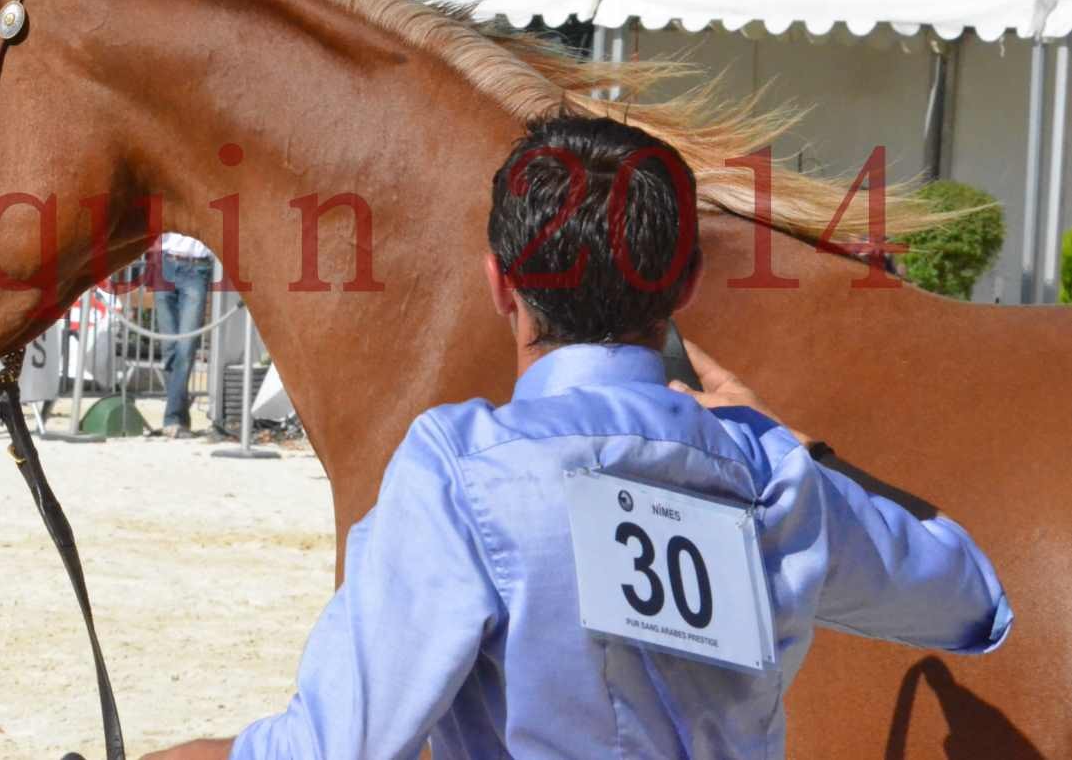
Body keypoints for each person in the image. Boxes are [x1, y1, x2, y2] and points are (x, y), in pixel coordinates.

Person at [145, 113, 1011, 760]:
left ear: (498, 284)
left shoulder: (460, 470)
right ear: (686, 284)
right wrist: (786, 444)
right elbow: (971, 600)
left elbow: (340, 745)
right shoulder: (768, 472)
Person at [154, 232, 213, 438]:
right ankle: (180, 417)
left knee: (185, 349)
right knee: (169, 350)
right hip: (166, 263)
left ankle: (171, 418)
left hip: (197, 267)